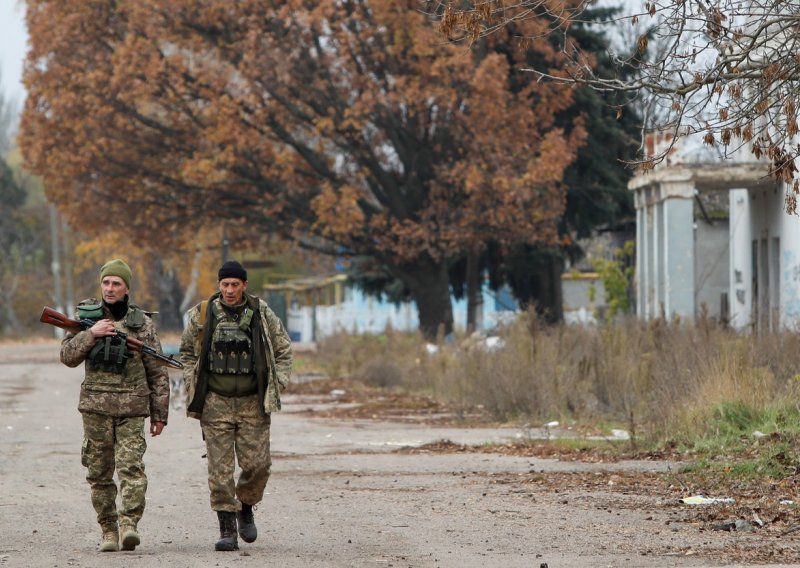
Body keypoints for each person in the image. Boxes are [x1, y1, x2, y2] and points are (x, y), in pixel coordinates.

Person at [180, 260, 292, 551]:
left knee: (258, 466)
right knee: (219, 470)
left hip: (252, 402)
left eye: (234, 284)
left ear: (244, 285)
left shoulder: (261, 312)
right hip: (215, 401)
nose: (229, 290)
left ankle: (246, 505)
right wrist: (192, 380)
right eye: (224, 284)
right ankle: (227, 527)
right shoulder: (203, 314)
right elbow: (186, 352)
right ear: (219, 285)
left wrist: (276, 384)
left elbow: (283, 350)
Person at [59, 259, 170, 552]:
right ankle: (108, 529)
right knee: (98, 472)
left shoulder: (142, 324)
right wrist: (90, 334)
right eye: (106, 282)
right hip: (95, 408)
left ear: (126, 288)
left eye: (116, 283)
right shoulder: (86, 318)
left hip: (132, 409)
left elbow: (157, 371)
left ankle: (129, 526)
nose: (110, 288)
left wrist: (160, 414)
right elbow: (67, 357)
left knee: (131, 468)